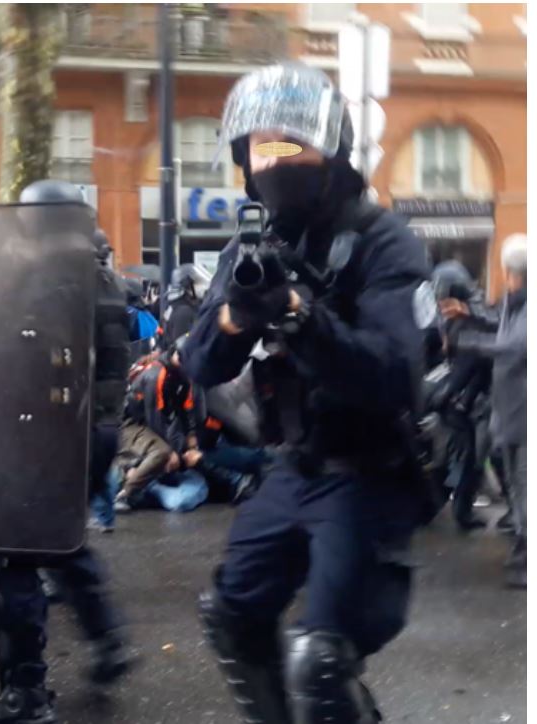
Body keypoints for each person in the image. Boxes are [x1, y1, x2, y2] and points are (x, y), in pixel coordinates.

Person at [182, 63, 431, 722]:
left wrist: (300, 315)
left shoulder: (383, 241)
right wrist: (235, 317)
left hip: (369, 471)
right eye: (260, 148)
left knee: (318, 660)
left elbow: (393, 375)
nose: (273, 161)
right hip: (291, 466)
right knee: (231, 616)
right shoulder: (253, 248)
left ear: (331, 151)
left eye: (290, 146)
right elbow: (199, 364)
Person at [0, 180, 135, 724]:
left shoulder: (51, 280)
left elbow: (21, 356)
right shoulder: (101, 276)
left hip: (55, 431)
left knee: (15, 551)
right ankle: (109, 639)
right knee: (64, 542)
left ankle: (26, 693)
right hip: (98, 429)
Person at [445, 233, 527, 589]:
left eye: (507, 271)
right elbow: (498, 323)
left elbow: (515, 344)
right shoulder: (514, 301)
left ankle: (527, 556)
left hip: (524, 413)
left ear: (516, 273)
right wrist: (471, 315)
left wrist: (471, 342)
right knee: (511, 474)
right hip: (508, 410)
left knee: (525, 481)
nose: (504, 277)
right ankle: (523, 539)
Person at [428, 261, 494, 530]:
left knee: (473, 458)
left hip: (475, 397)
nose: (441, 300)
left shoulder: (472, 315)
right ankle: (456, 510)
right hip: (464, 398)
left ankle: (462, 511)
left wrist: (453, 394)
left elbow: (473, 362)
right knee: (462, 457)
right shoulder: (457, 316)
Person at [113, 340, 201, 512]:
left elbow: (184, 409)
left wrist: (191, 437)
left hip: (150, 425)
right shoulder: (156, 375)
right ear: (175, 355)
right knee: (162, 452)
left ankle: (143, 479)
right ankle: (126, 493)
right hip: (131, 425)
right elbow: (155, 419)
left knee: (175, 452)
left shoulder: (182, 375)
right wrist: (171, 454)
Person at [162, 264, 210, 345]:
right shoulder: (184, 311)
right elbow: (182, 344)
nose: (203, 286)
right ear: (188, 287)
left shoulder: (179, 306)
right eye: (198, 283)